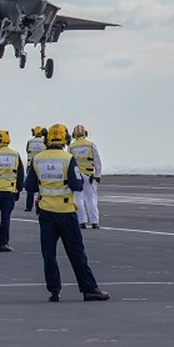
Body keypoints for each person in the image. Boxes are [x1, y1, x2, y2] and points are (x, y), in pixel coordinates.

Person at [24, 124, 109, 303]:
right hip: (66, 212)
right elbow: (77, 184)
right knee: (76, 252)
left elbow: (30, 185)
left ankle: (54, 291)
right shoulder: (68, 158)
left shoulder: (38, 159)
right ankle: (89, 289)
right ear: (65, 139)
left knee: (49, 254)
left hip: (46, 212)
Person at [68, 125, 102, 229]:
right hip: (89, 175)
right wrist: (98, 175)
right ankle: (94, 221)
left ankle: (82, 221)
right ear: (85, 133)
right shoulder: (91, 145)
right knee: (91, 199)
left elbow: (69, 162)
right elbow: (97, 161)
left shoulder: (72, 146)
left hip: (77, 175)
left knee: (78, 198)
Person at [23, 126, 47, 212]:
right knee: (42, 187)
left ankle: (28, 207)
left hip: (31, 165)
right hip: (42, 166)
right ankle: (40, 206)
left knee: (30, 188)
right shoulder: (45, 142)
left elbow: (27, 151)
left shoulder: (30, 142)